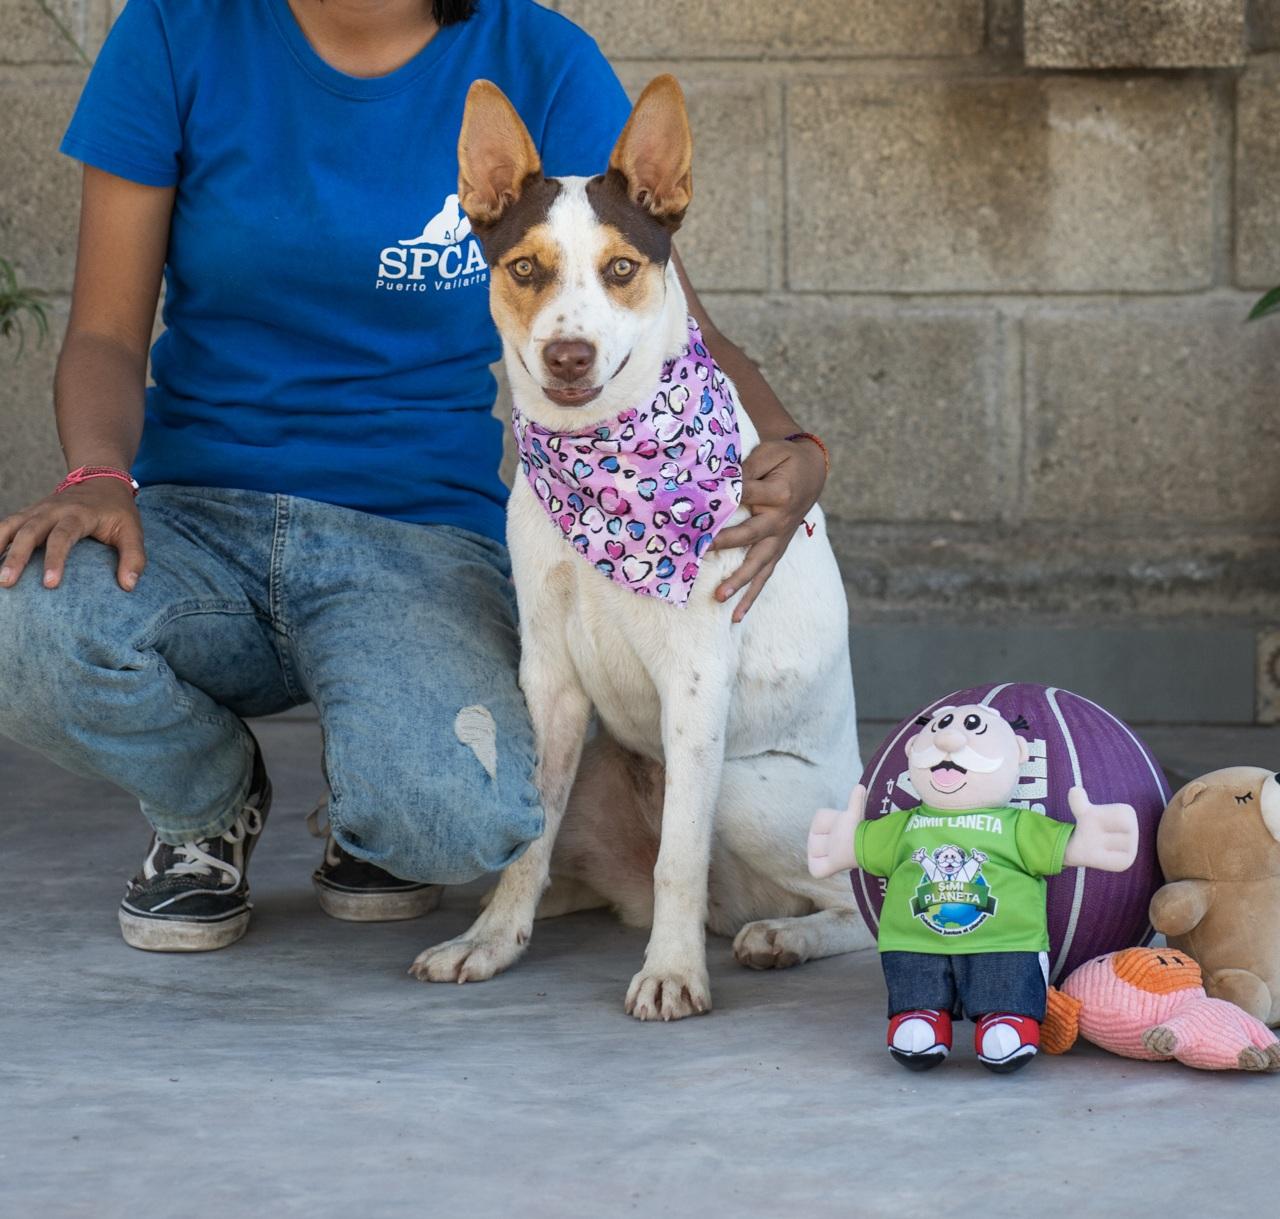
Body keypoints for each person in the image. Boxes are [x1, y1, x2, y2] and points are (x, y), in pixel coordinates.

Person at [0, 0, 831, 952]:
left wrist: (796, 444)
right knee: (22, 617)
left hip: (416, 535)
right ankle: (207, 802)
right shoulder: (174, 30)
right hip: (197, 522)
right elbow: (105, 333)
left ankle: (378, 798)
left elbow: (667, 306)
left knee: (454, 819)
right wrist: (98, 474)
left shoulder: (537, 58)